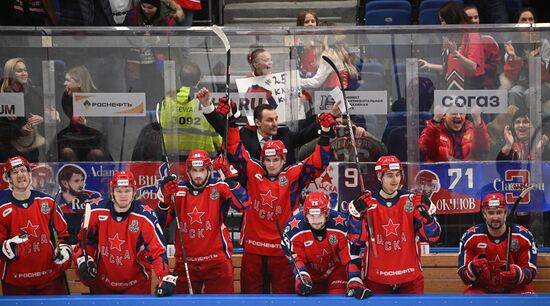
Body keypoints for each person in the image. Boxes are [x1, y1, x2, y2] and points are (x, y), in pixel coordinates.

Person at [222, 100, 335, 294]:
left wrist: (324, 135)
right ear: (262, 159)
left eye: (276, 160)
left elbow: (319, 163)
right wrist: (231, 121)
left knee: (285, 299)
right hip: (253, 251)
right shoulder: (253, 169)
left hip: (283, 252)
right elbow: (235, 148)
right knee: (251, 300)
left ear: (284, 159)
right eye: (268, 159)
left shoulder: (294, 174)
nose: (272, 164)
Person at [156, 150, 250, 294]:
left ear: (209, 170)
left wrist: (230, 180)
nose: (198, 175)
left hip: (217, 263)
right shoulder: (178, 190)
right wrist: (163, 202)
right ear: (188, 171)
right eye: (194, 170)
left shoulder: (219, 187)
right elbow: (160, 225)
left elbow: (245, 204)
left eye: (202, 170)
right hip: (186, 263)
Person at [346, 155, 441, 295]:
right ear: (380, 177)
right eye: (389, 175)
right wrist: (357, 216)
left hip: (410, 280)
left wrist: (428, 221)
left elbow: (433, 237)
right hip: (377, 280)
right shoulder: (366, 203)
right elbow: (356, 240)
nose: (395, 179)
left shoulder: (413, 201)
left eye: (397, 174)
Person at [74, 170, 175, 296]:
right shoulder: (96, 211)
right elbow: (85, 243)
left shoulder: (145, 216)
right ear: (112, 192)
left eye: (127, 191)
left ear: (134, 192)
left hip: (136, 286)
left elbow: (157, 251)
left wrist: (165, 276)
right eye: (119, 191)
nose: (123, 195)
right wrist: (84, 261)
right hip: (103, 284)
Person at [199, 88, 328, 165]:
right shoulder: (244, 135)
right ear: (258, 122)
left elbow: (306, 134)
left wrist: (327, 120)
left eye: (276, 119)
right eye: (270, 120)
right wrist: (207, 106)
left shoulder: (284, 134)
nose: (275, 124)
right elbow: (221, 128)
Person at [0, 156, 71, 295]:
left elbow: (63, 236)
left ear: (29, 174)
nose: (20, 175)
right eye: (14, 172)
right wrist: (5, 247)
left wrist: (64, 250)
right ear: (9, 179)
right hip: (16, 283)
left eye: (23, 170)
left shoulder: (48, 202)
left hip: (50, 280)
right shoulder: (2, 209)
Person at [457, 192, 537, 293]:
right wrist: (473, 268)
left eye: (499, 212)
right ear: (484, 214)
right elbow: (464, 276)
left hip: (514, 287)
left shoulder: (523, 237)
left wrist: (517, 274)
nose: (495, 217)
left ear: (505, 213)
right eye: (491, 213)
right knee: (469, 298)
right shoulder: (470, 237)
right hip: (482, 289)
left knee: (528, 297)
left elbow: (531, 271)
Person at [281, 192, 351, 295]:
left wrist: (354, 277)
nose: (315, 220)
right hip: (308, 271)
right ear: (305, 214)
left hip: (335, 269)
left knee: (337, 297)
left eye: (319, 215)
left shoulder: (341, 224)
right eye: (311, 215)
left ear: (326, 213)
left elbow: (348, 256)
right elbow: (297, 258)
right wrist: (302, 275)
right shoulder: (293, 228)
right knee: (305, 297)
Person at [418, 1, 485, 90]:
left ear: (451, 19)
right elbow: (447, 67)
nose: (441, 25)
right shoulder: (449, 37)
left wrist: (456, 53)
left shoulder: (472, 35)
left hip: (471, 87)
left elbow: (472, 66)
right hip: (450, 86)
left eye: (443, 21)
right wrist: (429, 65)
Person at [53, 66, 113, 162]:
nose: (65, 83)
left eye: (68, 80)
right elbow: (63, 121)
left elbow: (104, 125)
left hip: (92, 140)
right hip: (70, 139)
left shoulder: (96, 98)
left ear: (79, 83)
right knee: (66, 152)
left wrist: (86, 123)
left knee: (96, 154)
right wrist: (57, 119)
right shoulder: (64, 97)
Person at [0, 57, 49, 163]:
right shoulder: (2, 95)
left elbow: (44, 113)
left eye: (25, 70)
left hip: (30, 149)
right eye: (19, 71)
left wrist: (41, 118)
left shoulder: (35, 92)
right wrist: (19, 130)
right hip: (6, 150)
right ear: (10, 74)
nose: (24, 73)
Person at [500, 8, 550, 110]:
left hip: (542, 84)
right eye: (524, 20)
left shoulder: (544, 43)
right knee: (514, 92)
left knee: (530, 93)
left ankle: (535, 126)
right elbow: (510, 75)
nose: (528, 23)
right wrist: (513, 57)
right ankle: (517, 124)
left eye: (531, 20)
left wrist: (533, 60)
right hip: (521, 84)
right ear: (517, 25)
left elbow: (544, 74)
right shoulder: (511, 44)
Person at [419, 106, 490, 162]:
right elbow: (426, 149)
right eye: (454, 113)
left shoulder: (471, 130)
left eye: (461, 113)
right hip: (440, 177)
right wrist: (436, 122)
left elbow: (483, 150)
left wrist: (477, 121)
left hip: (469, 178)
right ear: (444, 116)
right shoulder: (433, 129)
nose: (458, 116)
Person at [54, 164, 102, 244]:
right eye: (76, 181)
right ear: (65, 183)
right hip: (65, 245)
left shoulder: (93, 197)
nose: (81, 184)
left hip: (86, 245)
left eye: (82, 180)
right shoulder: (55, 202)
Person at [464, 4, 501, 89]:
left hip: (487, 85)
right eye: (469, 18)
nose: (474, 21)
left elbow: (496, 65)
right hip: (464, 84)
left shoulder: (488, 40)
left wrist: (478, 70)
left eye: (476, 17)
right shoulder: (459, 41)